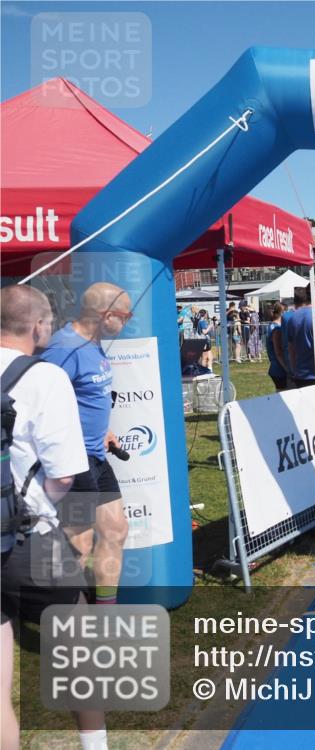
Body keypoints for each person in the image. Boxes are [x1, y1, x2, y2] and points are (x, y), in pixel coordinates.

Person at [1, 286, 108, 750]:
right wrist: (40, 512)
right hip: (29, 539)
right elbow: (64, 476)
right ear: (38, 326)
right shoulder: (45, 378)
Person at [40, 282, 132, 608]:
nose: (127, 321)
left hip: (96, 455)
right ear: (105, 315)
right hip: (72, 459)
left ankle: (106, 612)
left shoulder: (94, 344)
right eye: (125, 315)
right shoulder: (65, 349)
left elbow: (85, 398)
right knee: (78, 544)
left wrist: (103, 429)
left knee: (116, 529)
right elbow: (42, 402)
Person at [265, 303, 287, 391]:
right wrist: (287, 369)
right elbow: (278, 352)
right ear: (282, 312)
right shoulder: (276, 329)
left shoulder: (273, 326)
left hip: (277, 367)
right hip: (279, 368)